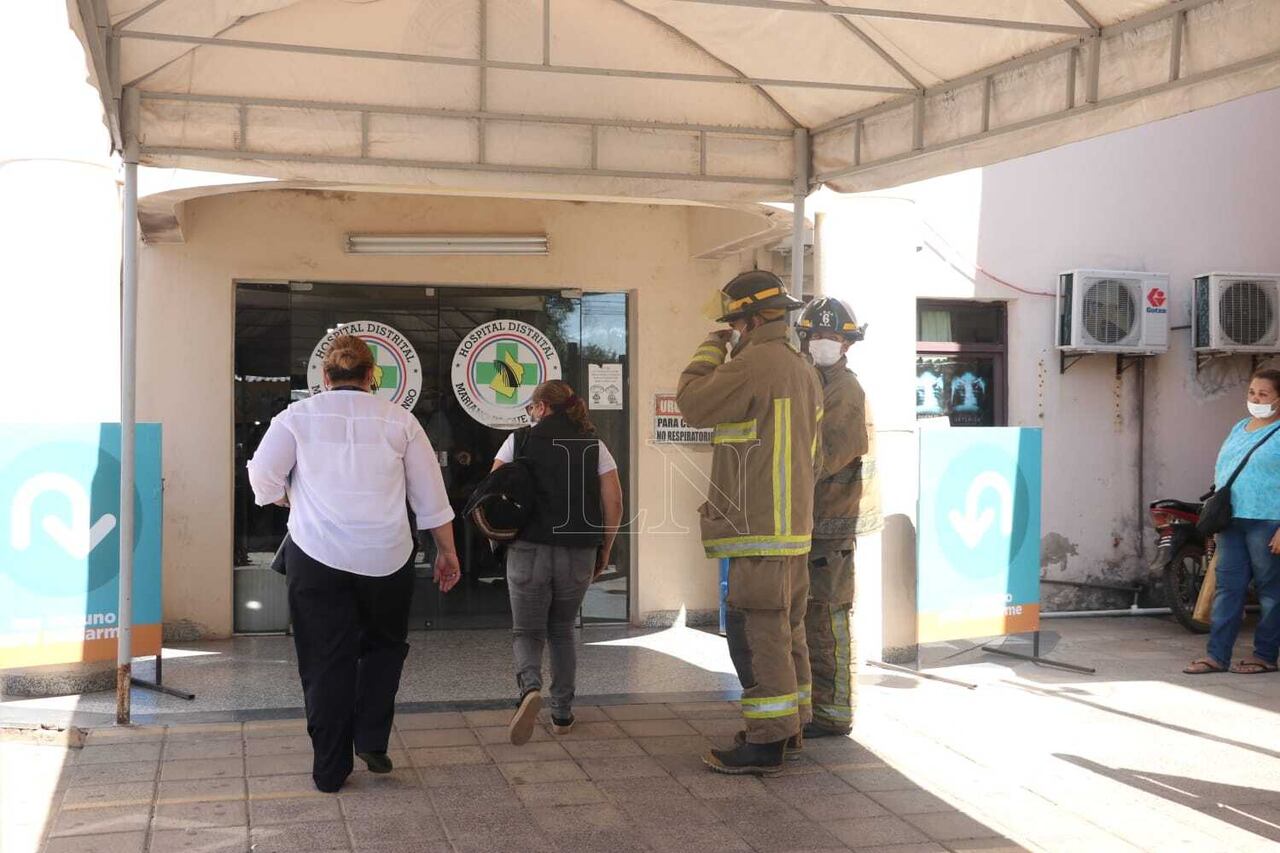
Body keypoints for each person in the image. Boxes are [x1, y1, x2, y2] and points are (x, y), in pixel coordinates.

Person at [247, 334, 461, 793]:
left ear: (324, 377)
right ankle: (371, 738)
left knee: (325, 660)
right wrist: (447, 552)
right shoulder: (401, 421)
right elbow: (431, 499)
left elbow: (262, 479)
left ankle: (330, 769)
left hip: (316, 555)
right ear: (371, 377)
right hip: (387, 557)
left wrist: (291, 499)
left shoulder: (295, 418)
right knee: (384, 648)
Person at [676, 269, 824, 776]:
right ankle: (793, 727)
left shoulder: (754, 364)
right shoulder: (802, 367)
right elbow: (815, 455)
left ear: (754, 319)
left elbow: (692, 403)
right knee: (788, 631)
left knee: (759, 635)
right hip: (793, 529)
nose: (732, 331)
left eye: (734, 323)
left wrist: (708, 350)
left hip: (758, 529)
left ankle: (767, 741)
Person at [496, 380, 624, 744]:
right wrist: (605, 548)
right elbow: (615, 502)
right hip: (579, 551)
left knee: (527, 631)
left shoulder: (518, 441)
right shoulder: (594, 446)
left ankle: (530, 688)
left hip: (528, 550)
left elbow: (493, 491)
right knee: (562, 629)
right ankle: (562, 714)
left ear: (541, 408)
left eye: (531, 407)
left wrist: (498, 539)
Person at [795, 297, 877, 738]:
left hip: (832, 526)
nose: (822, 342)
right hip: (813, 523)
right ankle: (817, 706)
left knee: (828, 619)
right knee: (810, 619)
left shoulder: (845, 391)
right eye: (816, 335)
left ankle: (834, 713)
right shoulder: (813, 381)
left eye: (831, 336)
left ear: (847, 344)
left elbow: (822, 456)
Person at [1184, 368, 1280, 676]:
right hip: (1231, 521)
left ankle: (1264, 656)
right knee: (1228, 589)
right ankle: (1216, 656)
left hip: (1267, 521)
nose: (1255, 399)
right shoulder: (1240, 427)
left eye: (1263, 394)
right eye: (1252, 392)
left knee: (1270, 592)